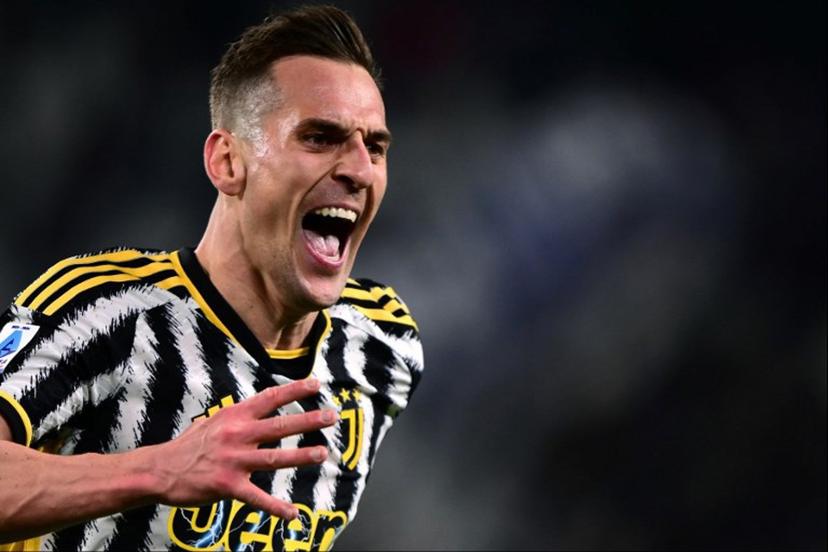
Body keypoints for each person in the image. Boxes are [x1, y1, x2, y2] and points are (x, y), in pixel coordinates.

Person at [0, 5, 423, 551]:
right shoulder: (112, 311)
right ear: (227, 161)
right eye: (319, 137)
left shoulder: (383, 345)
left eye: (376, 147)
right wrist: (157, 471)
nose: (360, 170)